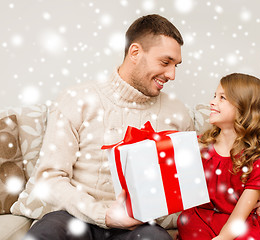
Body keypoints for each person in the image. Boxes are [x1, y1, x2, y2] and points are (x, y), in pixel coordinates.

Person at [24, 14, 194, 240]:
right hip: (75, 217)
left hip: (140, 226)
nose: (172, 75)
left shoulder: (178, 114)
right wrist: (103, 215)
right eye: (165, 62)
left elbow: (185, 187)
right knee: (43, 235)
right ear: (135, 53)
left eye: (176, 65)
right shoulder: (77, 100)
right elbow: (50, 178)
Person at [177, 73, 260, 240]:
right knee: (189, 224)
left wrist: (222, 238)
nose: (212, 102)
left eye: (222, 98)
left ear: (245, 108)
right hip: (200, 219)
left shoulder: (259, 162)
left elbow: (239, 216)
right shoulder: (198, 147)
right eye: (214, 96)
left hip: (238, 223)